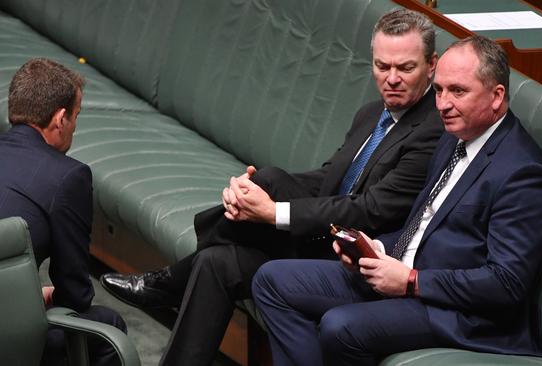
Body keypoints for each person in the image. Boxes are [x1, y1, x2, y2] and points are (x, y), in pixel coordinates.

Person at [100, 8, 444, 365]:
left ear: (431, 65)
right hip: (318, 235)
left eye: (405, 68)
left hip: (352, 258)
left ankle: (171, 281)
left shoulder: (433, 130)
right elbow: (328, 178)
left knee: (264, 192)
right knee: (219, 255)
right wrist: (255, 192)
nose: (391, 78)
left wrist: (273, 211)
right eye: (381, 66)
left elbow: (370, 209)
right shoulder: (373, 113)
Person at [252, 35, 542, 366]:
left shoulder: (523, 173)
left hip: (459, 312)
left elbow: (506, 283)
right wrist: (377, 250)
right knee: (271, 280)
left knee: (340, 326)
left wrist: (412, 282)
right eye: (439, 90)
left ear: (497, 96)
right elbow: (424, 225)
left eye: (457, 91)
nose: (442, 104)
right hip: (401, 274)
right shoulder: (452, 138)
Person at [0, 58, 127, 365]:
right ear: (60, 119)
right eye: (76, 117)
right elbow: (75, 295)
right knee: (106, 329)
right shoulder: (68, 178)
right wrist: (41, 298)